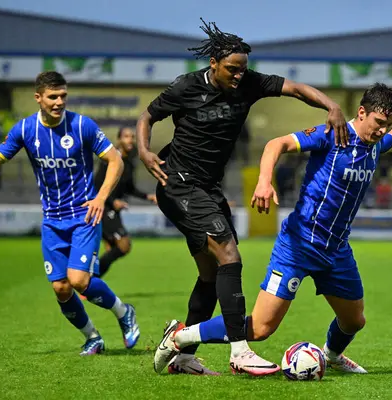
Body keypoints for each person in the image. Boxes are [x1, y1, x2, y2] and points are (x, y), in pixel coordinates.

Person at [153, 84, 392, 376]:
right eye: (379, 123)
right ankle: (181, 336)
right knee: (260, 328)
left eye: (388, 125)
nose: (383, 130)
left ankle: (332, 356)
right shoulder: (332, 135)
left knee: (354, 321)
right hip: (298, 246)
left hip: (336, 250)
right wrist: (264, 180)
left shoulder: (375, 145)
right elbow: (276, 144)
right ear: (362, 113)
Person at [138, 19, 350, 376]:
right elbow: (148, 115)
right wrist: (144, 152)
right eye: (232, 70)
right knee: (229, 254)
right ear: (213, 65)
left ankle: (183, 354)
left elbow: (295, 88)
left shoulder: (249, 83)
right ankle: (239, 351)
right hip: (178, 184)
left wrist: (332, 106)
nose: (238, 76)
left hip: (207, 188)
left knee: (211, 272)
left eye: (243, 70)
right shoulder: (186, 87)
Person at [0, 71, 140, 355]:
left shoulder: (82, 126)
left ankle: (123, 312)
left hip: (83, 215)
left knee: (79, 280)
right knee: (61, 288)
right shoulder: (25, 129)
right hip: (52, 220)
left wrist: (101, 198)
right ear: (38, 98)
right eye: (53, 97)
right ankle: (93, 337)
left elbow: (115, 160)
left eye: (63, 96)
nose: (59, 102)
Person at [94, 126, 157, 279]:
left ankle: (90, 282)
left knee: (116, 248)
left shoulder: (129, 162)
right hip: (103, 208)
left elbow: (129, 188)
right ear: (119, 140)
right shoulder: (110, 160)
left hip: (113, 210)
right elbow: (97, 185)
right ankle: (91, 280)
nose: (130, 140)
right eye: (126, 136)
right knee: (123, 245)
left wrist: (148, 196)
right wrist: (112, 200)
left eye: (132, 137)